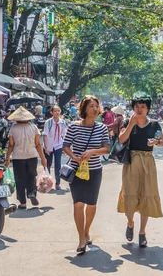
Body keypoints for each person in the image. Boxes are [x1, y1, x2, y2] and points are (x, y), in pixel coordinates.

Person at [62, 96, 110, 255]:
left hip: (94, 170)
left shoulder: (102, 128)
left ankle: (87, 230)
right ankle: (81, 238)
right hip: (76, 170)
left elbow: (106, 149)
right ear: (84, 109)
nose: (95, 109)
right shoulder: (74, 127)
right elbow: (66, 146)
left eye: (97, 106)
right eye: (91, 106)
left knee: (91, 204)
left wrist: (92, 152)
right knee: (78, 203)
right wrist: (74, 157)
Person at [117, 96, 163, 249]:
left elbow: (162, 142)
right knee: (129, 194)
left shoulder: (154, 124)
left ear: (148, 109)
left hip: (148, 163)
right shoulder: (127, 122)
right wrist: (131, 124)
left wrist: (155, 142)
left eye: (142, 106)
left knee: (147, 195)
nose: (139, 109)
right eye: (136, 106)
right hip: (131, 162)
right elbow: (121, 139)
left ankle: (142, 232)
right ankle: (130, 223)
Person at [4, 107, 47, 209]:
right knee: (31, 176)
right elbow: (37, 145)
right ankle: (31, 193)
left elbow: (11, 145)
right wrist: (43, 158)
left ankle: (23, 202)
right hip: (32, 156)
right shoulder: (33, 127)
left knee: (20, 179)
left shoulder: (13, 129)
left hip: (18, 157)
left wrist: (7, 159)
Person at [42, 105, 67, 191]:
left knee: (58, 164)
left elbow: (64, 134)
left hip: (58, 145)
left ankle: (57, 183)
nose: (57, 112)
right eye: (55, 111)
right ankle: (47, 183)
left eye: (58, 111)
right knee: (47, 164)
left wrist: (65, 146)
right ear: (51, 112)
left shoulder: (63, 122)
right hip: (48, 146)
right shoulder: (48, 122)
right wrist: (45, 147)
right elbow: (45, 135)